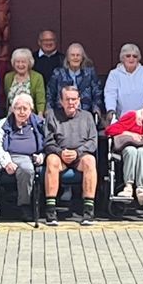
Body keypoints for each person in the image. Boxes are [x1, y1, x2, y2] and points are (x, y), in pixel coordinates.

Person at [0, 93, 46, 227]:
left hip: (26, 157)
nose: (21, 112)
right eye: (18, 108)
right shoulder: (3, 124)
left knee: (28, 169)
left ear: (31, 109)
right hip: (3, 155)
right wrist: (6, 162)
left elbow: (49, 143)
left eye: (25, 108)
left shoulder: (40, 124)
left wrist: (42, 155)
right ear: (12, 109)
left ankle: (24, 206)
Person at [41, 85, 100, 226]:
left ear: (79, 100)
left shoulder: (87, 116)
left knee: (90, 161)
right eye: (67, 99)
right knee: (51, 160)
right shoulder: (52, 115)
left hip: (80, 155)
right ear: (61, 101)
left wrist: (77, 152)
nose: (71, 102)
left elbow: (93, 141)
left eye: (74, 99)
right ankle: (51, 211)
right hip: (60, 154)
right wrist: (60, 152)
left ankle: (88, 211)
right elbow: (48, 142)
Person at [45, 43, 102, 124]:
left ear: (82, 58)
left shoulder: (89, 73)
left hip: (85, 113)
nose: (75, 58)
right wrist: (49, 110)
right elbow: (50, 94)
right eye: (72, 55)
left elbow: (97, 93)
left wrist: (96, 108)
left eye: (78, 55)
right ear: (68, 58)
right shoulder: (58, 73)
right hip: (61, 115)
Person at [103, 43, 143, 118]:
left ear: (138, 58)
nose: (131, 59)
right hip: (122, 118)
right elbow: (110, 94)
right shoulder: (114, 74)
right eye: (128, 56)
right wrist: (111, 110)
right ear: (122, 58)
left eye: (135, 56)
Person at [2, 48, 47, 114]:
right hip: (12, 115)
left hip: (30, 115)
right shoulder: (8, 77)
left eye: (23, 62)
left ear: (29, 63)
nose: (20, 65)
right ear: (13, 63)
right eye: (17, 62)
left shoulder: (37, 77)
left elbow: (40, 101)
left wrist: (40, 115)